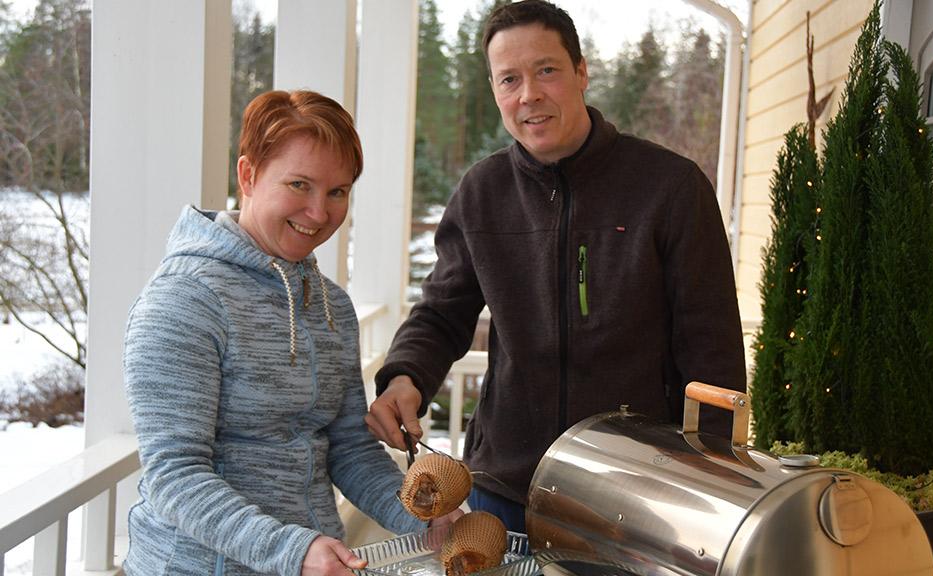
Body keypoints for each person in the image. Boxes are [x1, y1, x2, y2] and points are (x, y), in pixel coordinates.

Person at [365, 0, 746, 534]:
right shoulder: (482, 192)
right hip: (506, 486)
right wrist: (406, 375)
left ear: (581, 72)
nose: (529, 95)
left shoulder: (671, 188)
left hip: (636, 495)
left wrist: (711, 476)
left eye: (546, 70)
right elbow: (442, 312)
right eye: (509, 79)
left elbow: (713, 351)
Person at [123, 90, 458, 576]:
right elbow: (175, 476)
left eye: (337, 191)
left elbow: (349, 448)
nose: (319, 213)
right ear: (248, 175)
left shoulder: (331, 306)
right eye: (299, 184)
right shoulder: (184, 301)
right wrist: (292, 550)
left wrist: (423, 518)